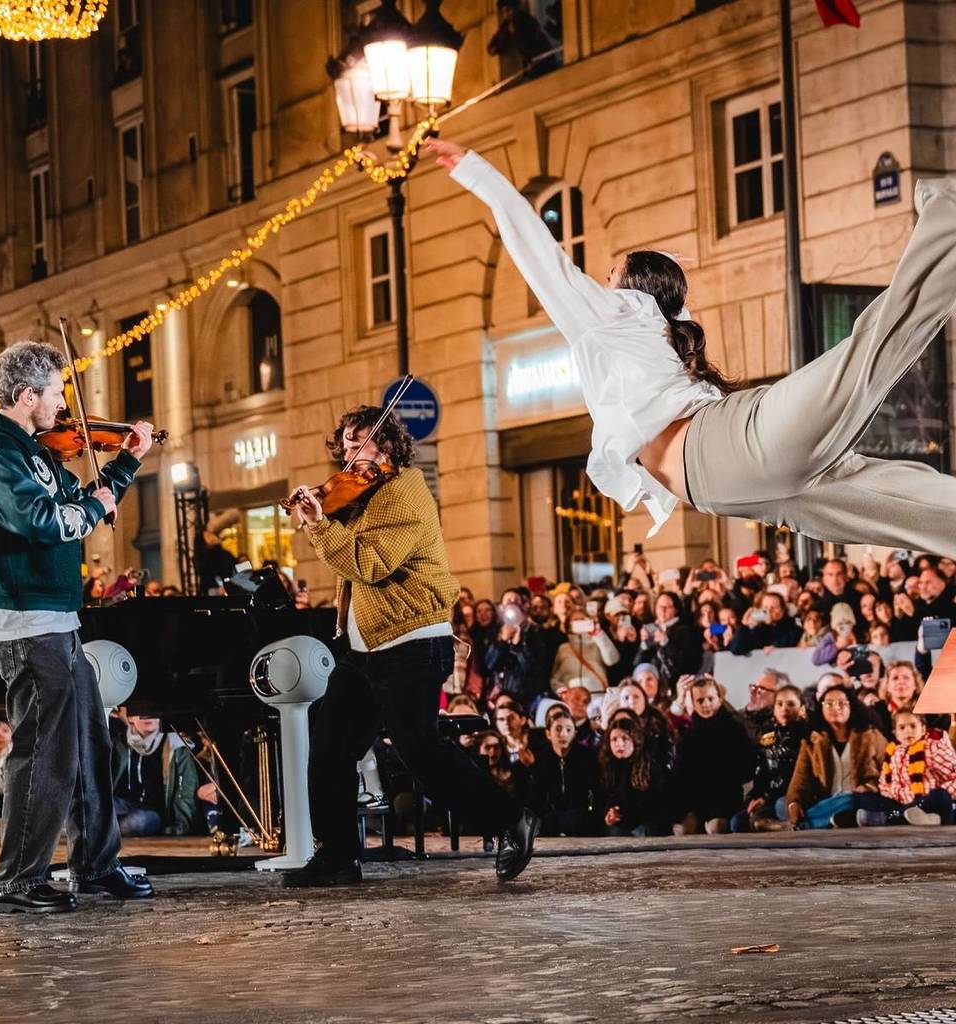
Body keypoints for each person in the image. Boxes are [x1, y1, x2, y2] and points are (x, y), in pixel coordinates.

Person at [430, 137, 956, 554]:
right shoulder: (649, 328)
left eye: (611, 274)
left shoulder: (620, 316)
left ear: (633, 289)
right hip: (740, 486)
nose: (600, 283)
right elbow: (635, 287)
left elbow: (544, 260)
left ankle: (948, 217)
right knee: (908, 507)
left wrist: (480, 175)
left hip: (736, 447)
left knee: (869, 354)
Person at [284, 404, 538, 886]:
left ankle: (512, 821)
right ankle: (338, 854)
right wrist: (326, 512)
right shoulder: (366, 493)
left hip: (410, 641)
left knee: (420, 752)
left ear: (388, 446)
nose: (349, 453)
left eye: (360, 442)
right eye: (345, 444)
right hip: (366, 647)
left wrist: (320, 525)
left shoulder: (403, 493)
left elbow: (371, 563)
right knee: (331, 744)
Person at [0, 341, 154, 913]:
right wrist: (95, 505)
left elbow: (80, 500)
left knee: (89, 746)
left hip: (57, 621)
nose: (63, 404)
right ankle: (19, 880)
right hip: (27, 624)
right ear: (27, 396)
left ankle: (95, 865)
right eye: (56, 393)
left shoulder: (33, 452)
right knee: (44, 755)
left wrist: (124, 465)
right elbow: (48, 520)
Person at [786, 686, 887, 829]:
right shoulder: (812, 741)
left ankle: (806, 823)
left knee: (848, 800)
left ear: (851, 707)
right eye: (829, 703)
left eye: (842, 703)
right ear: (821, 708)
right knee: (782, 804)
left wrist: (869, 786)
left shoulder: (870, 735)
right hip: (825, 800)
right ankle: (830, 819)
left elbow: (890, 768)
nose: (836, 707)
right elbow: (801, 777)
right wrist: (794, 803)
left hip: (858, 798)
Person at [672, 676, 754, 834]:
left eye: (710, 698)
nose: (706, 704)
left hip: (724, 799)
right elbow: (680, 775)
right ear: (694, 703)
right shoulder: (688, 735)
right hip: (695, 801)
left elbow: (745, 769)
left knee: (715, 827)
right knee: (681, 829)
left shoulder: (734, 729)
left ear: (719, 699)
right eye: (700, 700)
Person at [857, 710, 956, 826]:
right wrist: (890, 794)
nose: (908, 731)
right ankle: (926, 819)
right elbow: (884, 784)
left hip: (926, 803)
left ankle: (887, 818)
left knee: (940, 795)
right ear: (895, 733)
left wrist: (944, 793)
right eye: (902, 728)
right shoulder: (893, 752)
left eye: (913, 726)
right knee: (865, 798)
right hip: (901, 803)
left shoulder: (933, 746)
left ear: (923, 729)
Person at [731, 685, 807, 833]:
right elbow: (762, 773)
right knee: (737, 823)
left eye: (791, 704)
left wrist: (766, 799)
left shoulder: (804, 736)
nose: (784, 708)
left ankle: (787, 826)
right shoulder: (768, 737)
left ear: (801, 708)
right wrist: (754, 796)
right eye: (779, 704)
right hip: (768, 798)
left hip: (789, 797)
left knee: (780, 805)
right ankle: (773, 826)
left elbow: (795, 778)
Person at [110, 715, 199, 837]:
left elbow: (186, 791)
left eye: (153, 713)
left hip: (152, 813)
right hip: (125, 805)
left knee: (136, 822)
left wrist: (181, 825)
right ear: (130, 718)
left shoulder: (175, 745)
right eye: (141, 714)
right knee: (90, 809)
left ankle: (106, 832)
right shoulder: (120, 743)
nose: (148, 717)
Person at [528, 709, 599, 836]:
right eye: (558, 729)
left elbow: (596, 792)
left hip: (581, 820)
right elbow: (536, 800)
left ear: (575, 733)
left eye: (568, 729)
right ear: (548, 733)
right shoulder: (540, 759)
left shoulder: (588, 757)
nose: (563, 734)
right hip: (549, 821)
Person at [597, 713, 669, 836]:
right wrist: (609, 813)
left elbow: (654, 804)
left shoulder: (650, 766)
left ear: (635, 740)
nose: (619, 744)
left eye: (625, 738)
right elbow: (603, 797)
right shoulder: (606, 767)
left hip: (646, 822)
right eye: (614, 739)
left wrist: (623, 815)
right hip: (619, 823)